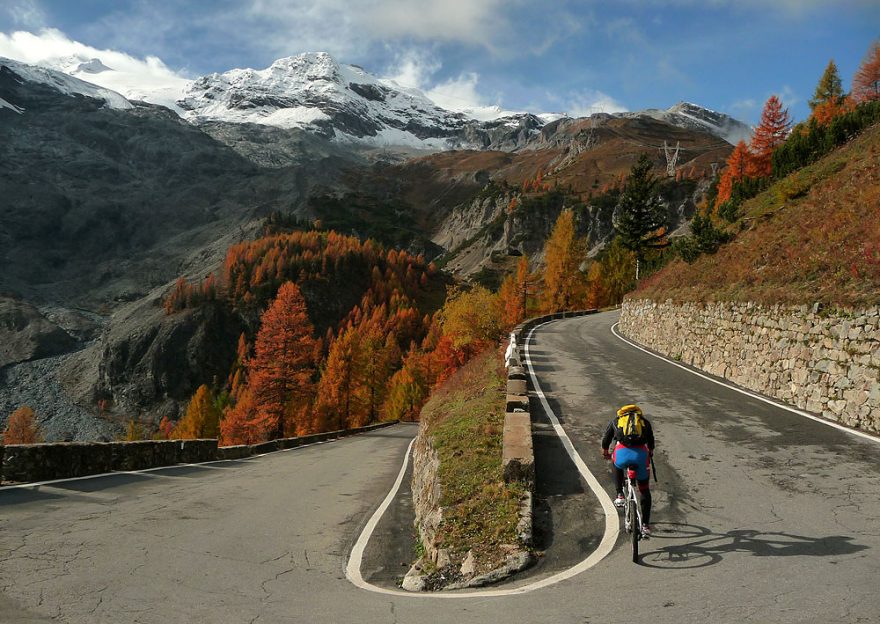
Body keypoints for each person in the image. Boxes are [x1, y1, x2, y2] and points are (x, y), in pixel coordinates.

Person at [601, 404, 655, 536]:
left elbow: (606, 440)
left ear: (622, 412)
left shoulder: (616, 420)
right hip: (641, 456)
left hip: (622, 454)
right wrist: (650, 453)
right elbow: (651, 443)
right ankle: (645, 526)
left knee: (616, 463)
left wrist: (606, 452)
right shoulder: (644, 422)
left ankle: (620, 494)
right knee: (644, 490)